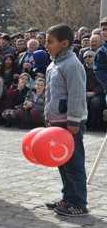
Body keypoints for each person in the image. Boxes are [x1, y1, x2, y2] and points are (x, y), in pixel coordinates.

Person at [44, 24, 88, 217]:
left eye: (50, 42)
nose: (46, 45)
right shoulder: (54, 64)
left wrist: (73, 120)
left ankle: (79, 203)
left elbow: (77, 94)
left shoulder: (72, 64)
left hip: (70, 123)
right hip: (56, 121)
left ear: (64, 43)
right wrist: (48, 116)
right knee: (62, 162)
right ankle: (67, 198)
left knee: (74, 163)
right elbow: (49, 94)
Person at [83, 50, 104, 131]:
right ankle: (84, 125)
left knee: (96, 102)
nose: (87, 58)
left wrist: (94, 92)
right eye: (85, 57)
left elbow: (102, 83)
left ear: (95, 58)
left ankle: (93, 125)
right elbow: (78, 81)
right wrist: (84, 92)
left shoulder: (100, 68)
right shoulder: (81, 68)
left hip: (97, 93)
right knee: (83, 102)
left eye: (90, 56)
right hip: (84, 93)